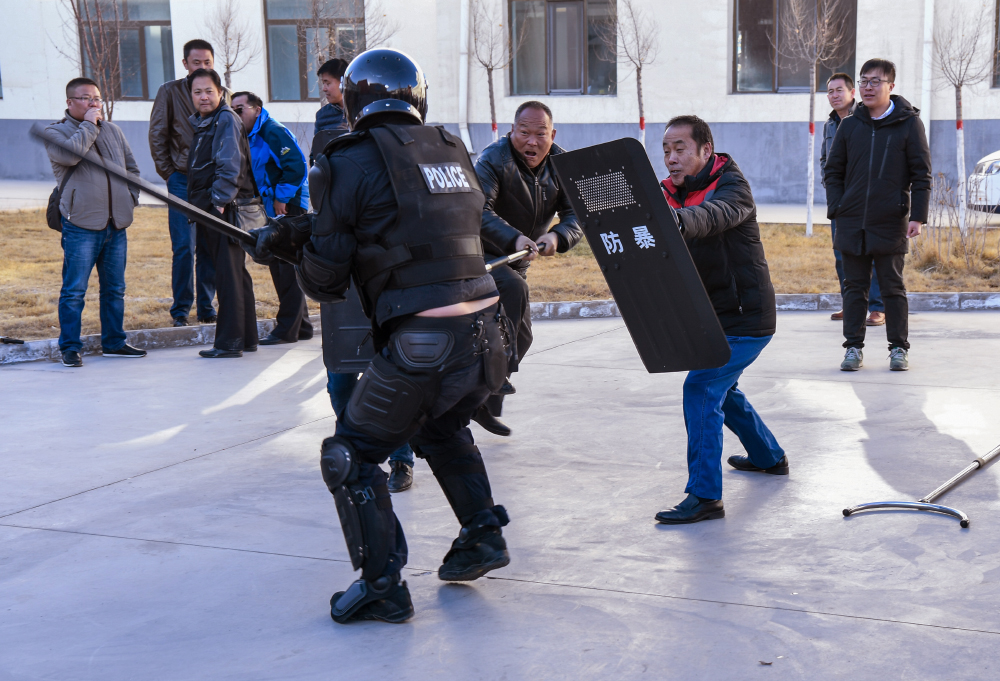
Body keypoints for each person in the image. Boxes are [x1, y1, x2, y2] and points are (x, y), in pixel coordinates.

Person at [245, 48, 513, 624]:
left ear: (355, 100)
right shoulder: (450, 149)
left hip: (425, 339)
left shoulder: (343, 160)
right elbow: (404, 221)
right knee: (441, 426)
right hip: (486, 331)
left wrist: (289, 246)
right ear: (416, 95)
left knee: (352, 455)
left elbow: (326, 279)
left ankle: (382, 584)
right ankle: (483, 534)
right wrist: (306, 228)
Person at [654, 115, 786, 525]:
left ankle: (705, 496)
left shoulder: (732, 184)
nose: (671, 158)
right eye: (666, 151)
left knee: (702, 386)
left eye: (680, 149)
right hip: (711, 315)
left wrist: (674, 221)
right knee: (723, 390)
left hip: (747, 316)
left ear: (705, 151)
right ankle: (769, 457)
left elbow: (715, 215)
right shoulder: (668, 193)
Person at [473, 100, 583, 436]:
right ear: (512, 131)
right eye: (524, 132)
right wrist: (514, 238)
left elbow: (577, 215)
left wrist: (557, 236)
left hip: (517, 260)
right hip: (480, 256)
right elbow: (479, 210)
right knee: (514, 290)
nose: (531, 141)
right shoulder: (493, 159)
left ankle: (484, 402)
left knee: (522, 336)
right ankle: (491, 380)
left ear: (553, 135)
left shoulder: (562, 164)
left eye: (540, 134)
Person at [824, 59, 931, 372]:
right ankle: (853, 348)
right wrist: (837, 208)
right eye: (865, 81)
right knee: (853, 289)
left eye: (876, 81)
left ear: (891, 86)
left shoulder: (909, 124)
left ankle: (898, 348)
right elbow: (833, 170)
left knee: (892, 289)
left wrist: (917, 216)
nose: (869, 87)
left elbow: (921, 175)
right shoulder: (850, 124)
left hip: (890, 221)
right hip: (851, 222)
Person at [42, 78, 147, 368]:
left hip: (117, 224)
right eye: (86, 98)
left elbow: (132, 168)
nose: (93, 104)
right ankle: (70, 347)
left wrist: (131, 198)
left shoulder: (113, 130)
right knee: (74, 290)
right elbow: (69, 156)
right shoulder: (55, 132)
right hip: (81, 226)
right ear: (70, 103)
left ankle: (114, 342)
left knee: (114, 289)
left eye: (97, 99)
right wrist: (89, 125)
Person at [231, 91, 314, 345]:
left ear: (257, 110)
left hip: (287, 207)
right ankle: (303, 327)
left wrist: (282, 198)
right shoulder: (250, 134)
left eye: (240, 109)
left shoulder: (271, 131)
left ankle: (286, 329)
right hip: (272, 208)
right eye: (232, 109)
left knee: (285, 267)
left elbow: (297, 166)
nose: (236, 114)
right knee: (281, 265)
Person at [186, 69, 258, 358]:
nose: (203, 97)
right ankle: (247, 338)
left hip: (222, 209)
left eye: (209, 91)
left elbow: (230, 164)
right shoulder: (206, 121)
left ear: (220, 92)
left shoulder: (225, 118)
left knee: (227, 275)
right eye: (197, 92)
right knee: (235, 274)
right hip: (211, 207)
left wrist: (217, 202)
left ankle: (229, 343)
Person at [149, 39, 219, 328]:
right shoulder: (169, 91)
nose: (201, 67)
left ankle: (207, 307)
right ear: (185, 64)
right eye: (196, 62)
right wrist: (169, 173)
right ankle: (180, 310)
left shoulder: (217, 92)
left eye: (207, 63)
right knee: (183, 247)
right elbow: (157, 135)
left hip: (210, 182)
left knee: (208, 246)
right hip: (180, 180)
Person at [820, 72, 885, 327]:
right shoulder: (829, 125)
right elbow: (825, 161)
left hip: (867, 200)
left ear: (852, 93)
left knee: (873, 252)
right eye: (830, 91)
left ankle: (878, 308)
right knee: (842, 254)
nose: (834, 95)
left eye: (839, 90)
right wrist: (833, 192)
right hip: (841, 203)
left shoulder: (867, 120)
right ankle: (851, 304)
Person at [311, 58, 350, 164]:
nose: (324, 88)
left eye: (327, 83)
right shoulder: (322, 115)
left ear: (343, 82)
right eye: (323, 83)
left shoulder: (364, 110)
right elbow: (315, 155)